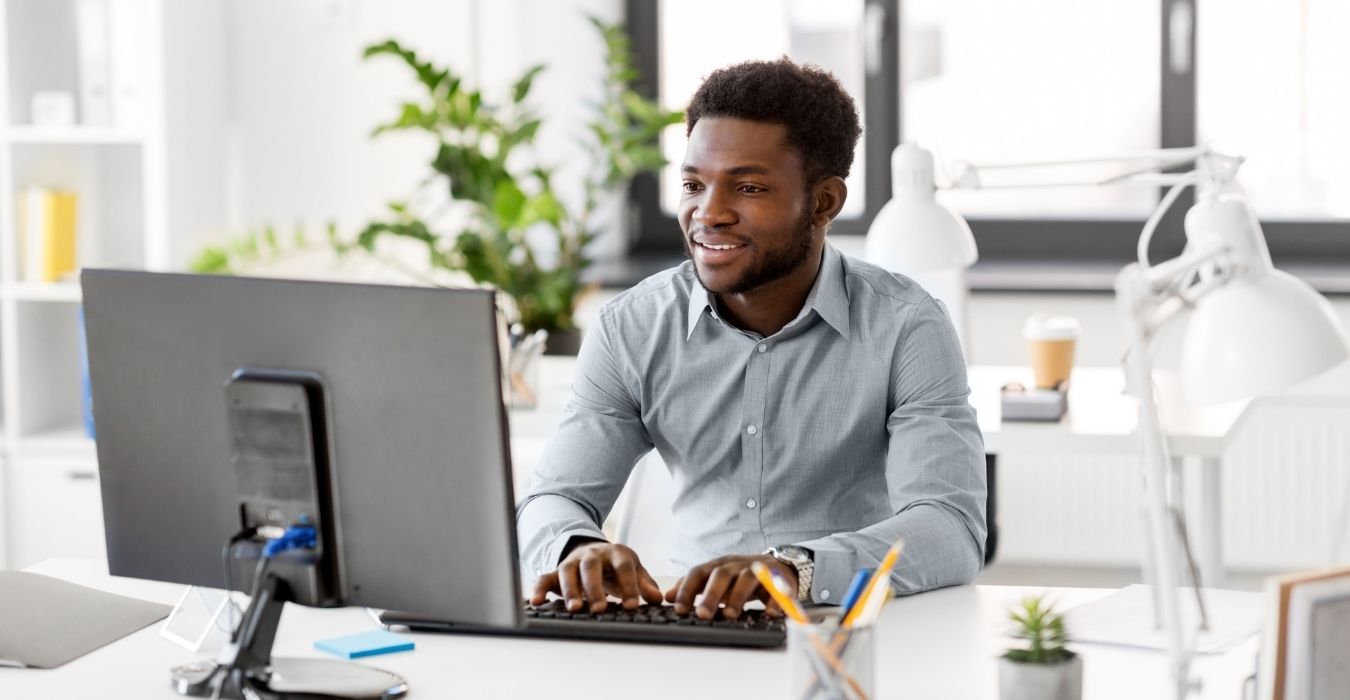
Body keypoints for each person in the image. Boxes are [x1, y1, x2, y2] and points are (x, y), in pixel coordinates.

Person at [517, 57, 985, 621]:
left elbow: (950, 527)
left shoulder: (907, 326)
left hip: (848, 627)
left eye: (748, 187)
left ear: (824, 202)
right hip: (689, 625)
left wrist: (794, 570)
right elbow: (553, 497)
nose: (708, 213)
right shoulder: (632, 327)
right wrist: (575, 548)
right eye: (693, 185)